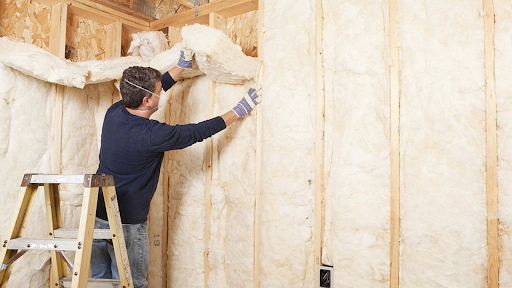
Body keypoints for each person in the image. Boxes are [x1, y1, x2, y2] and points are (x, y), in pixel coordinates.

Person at [90, 48, 261, 288]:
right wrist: (238, 111)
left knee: (96, 281)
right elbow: (197, 132)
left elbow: (148, 91)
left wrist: (181, 66)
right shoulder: (152, 135)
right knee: (132, 283)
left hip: (96, 215)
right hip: (126, 224)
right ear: (147, 101)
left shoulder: (114, 112)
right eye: (159, 92)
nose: (161, 94)